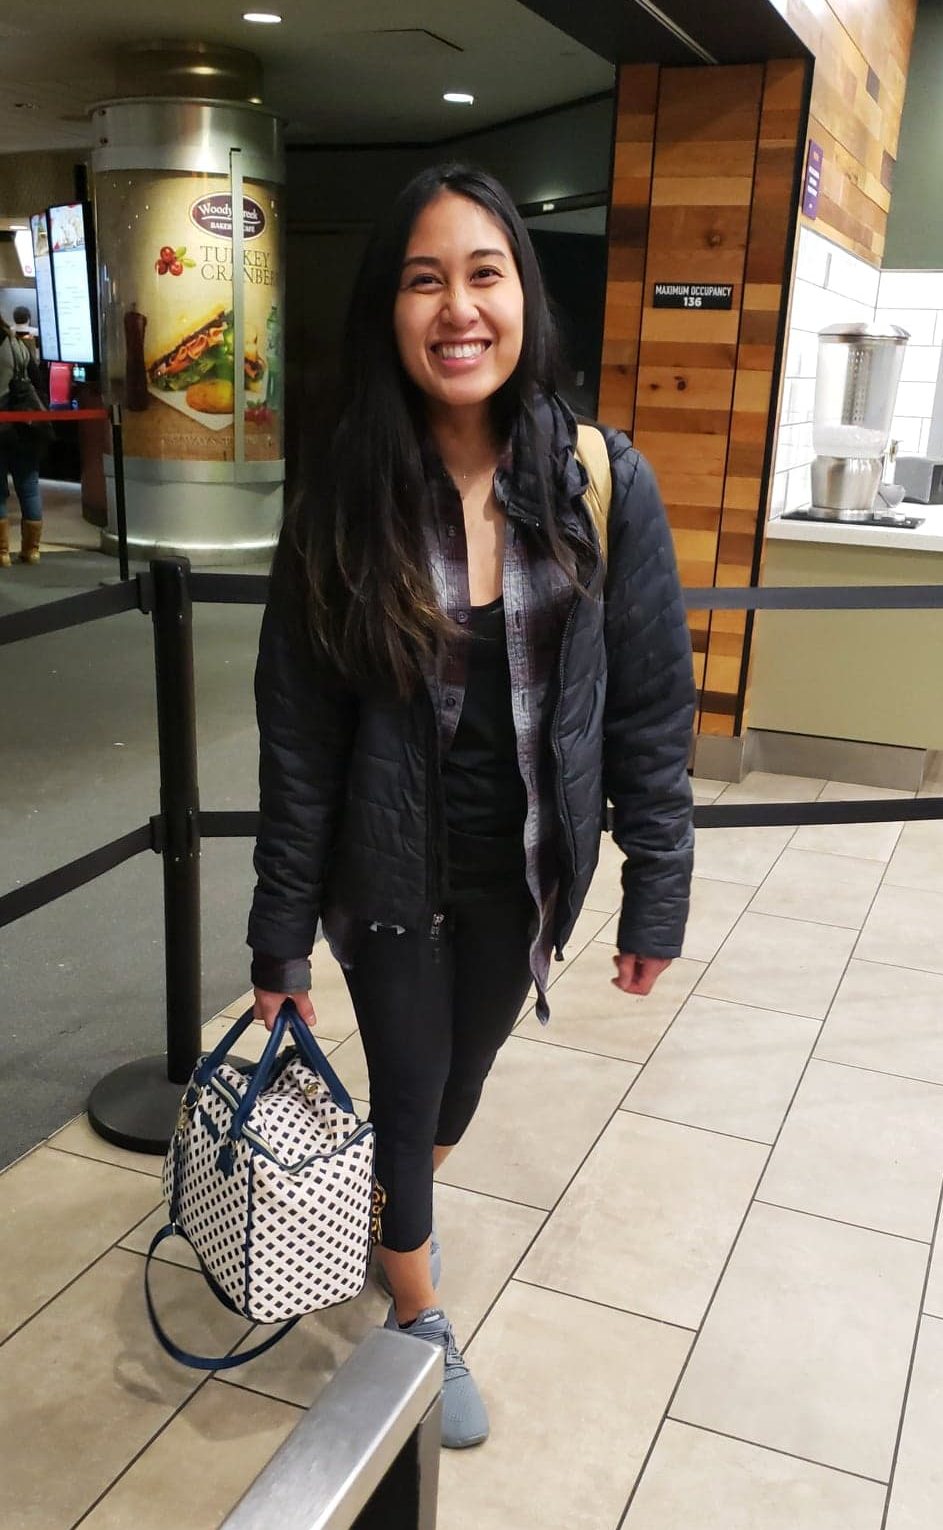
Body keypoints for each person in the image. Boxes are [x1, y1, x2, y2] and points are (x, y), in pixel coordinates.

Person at [247, 164, 696, 1449]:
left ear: (522, 296)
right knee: (406, 1082)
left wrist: (655, 884)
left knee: (457, 1088)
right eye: (423, 278)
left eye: (482, 274)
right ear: (390, 310)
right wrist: (282, 923)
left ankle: (385, 1208)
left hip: (527, 870)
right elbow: (299, 732)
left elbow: (650, 714)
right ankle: (417, 1317)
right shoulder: (344, 494)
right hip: (384, 871)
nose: (457, 308)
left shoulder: (601, 482)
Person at [0, 315, 43, 567]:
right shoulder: (19, 344)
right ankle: (32, 550)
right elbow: (37, 383)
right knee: (29, 485)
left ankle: (2, 553)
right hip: (24, 426)